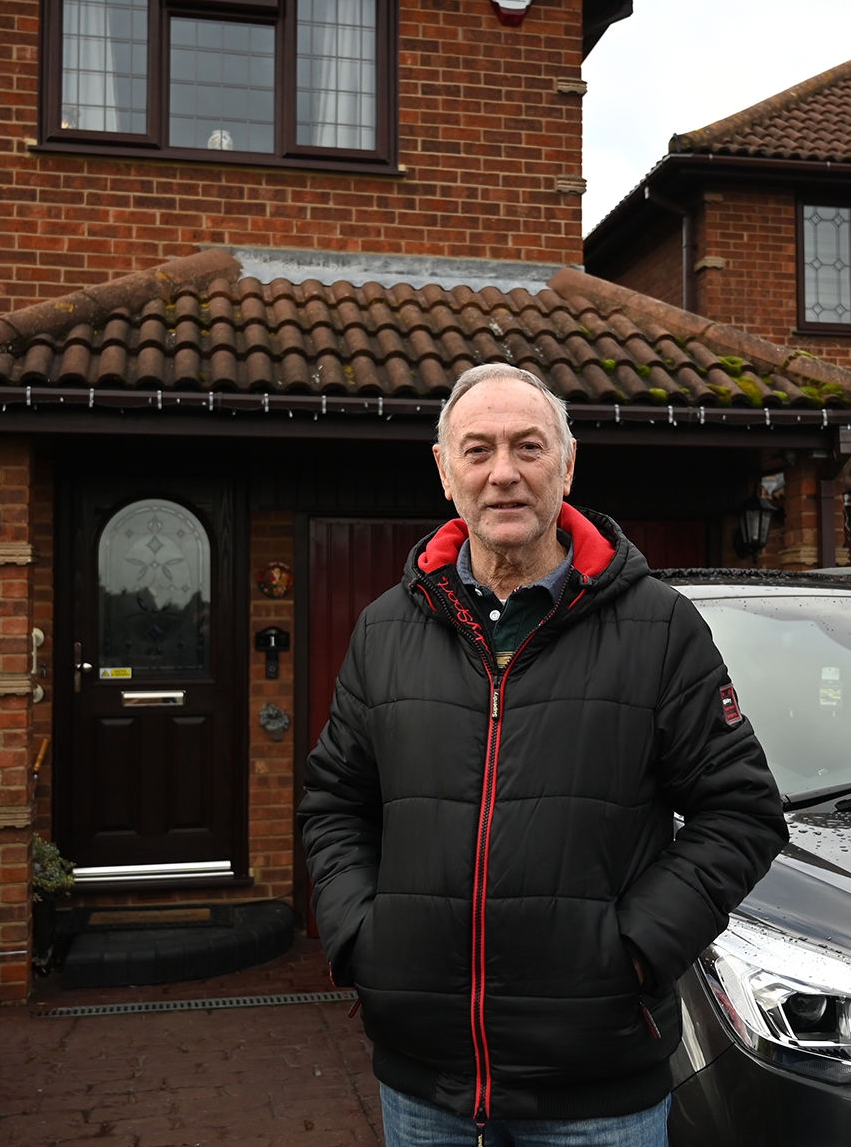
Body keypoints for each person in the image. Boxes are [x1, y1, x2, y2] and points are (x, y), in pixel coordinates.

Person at [299, 363, 787, 1147]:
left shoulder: (660, 629)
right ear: (444, 471)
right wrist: (362, 933)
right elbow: (334, 802)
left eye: (528, 448)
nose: (503, 474)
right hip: (425, 1084)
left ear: (567, 464)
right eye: (478, 450)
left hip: (599, 1091)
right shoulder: (385, 630)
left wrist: (631, 952)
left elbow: (742, 812)